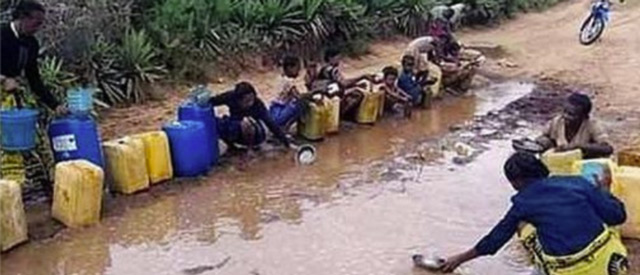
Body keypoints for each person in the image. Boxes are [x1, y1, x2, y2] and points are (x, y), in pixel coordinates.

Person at [438, 152, 628, 275]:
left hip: (570, 270)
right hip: (610, 263)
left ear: (515, 182)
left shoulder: (523, 203)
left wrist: (459, 259)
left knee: (525, 230)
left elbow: (495, 240)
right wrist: (604, 189)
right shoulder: (578, 183)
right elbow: (617, 216)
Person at [0, 1, 66, 195]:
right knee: (7, 147)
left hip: (15, 97)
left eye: (41, 23)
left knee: (36, 139)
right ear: (22, 17)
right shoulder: (2, 35)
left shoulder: (31, 43)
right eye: (36, 22)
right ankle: (11, 194)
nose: (38, 27)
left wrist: (55, 105)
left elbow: (34, 79)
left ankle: (53, 184)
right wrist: (3, 79)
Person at [210, 82, 291, 150]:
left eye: (252, 99)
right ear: (238, 100)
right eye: (247, 101)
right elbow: (212, 102)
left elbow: (270, 123)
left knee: (246, 123)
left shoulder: (258, 104)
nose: (250, 103)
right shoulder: (230, 97)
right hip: (234, 126)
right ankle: (231, 146)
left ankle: (250, 149)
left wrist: (285, 142)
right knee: (217, 123)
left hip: (255, 133)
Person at [536, 93, 613, 159]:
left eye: (571, 114)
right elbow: (543, 137)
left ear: (584, 117)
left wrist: (579, 147)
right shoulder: (557, 121)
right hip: (561, 163)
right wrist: (545, 142)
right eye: (564, 111)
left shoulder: (592, 125)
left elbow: (607, 149)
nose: (565, 116)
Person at [315, 48, 373, 119]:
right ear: (330, 58)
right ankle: (341, 114)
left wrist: (356, 84)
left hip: (329, 93)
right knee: (357, 94)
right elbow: (343, 83)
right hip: (329, 96)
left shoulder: (327, 68)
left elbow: (340, 83)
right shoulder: (330, 70)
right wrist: (361, 77)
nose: (339, 60)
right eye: (337, 58)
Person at [269, 55, 305, 132]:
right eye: (297, 69)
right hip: (278, 113)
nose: (298, 72)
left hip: (273, 111)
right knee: (301, 104)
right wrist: (314, 92)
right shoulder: (288, 82)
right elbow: (299, 96)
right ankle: (285, 128)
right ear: (289, 68)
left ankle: (283, 128)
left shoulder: (280, 78)